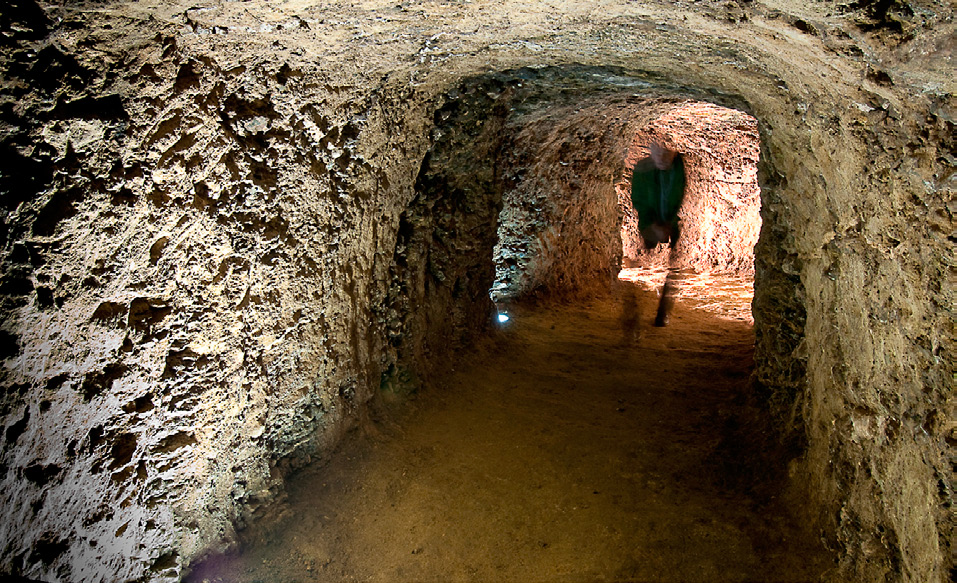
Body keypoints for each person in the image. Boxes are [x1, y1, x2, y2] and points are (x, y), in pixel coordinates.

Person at [630, 142, 686, 326]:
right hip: (651, 220)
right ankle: (633, 309)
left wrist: (670, 224)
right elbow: (639, 202)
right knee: (640, 261)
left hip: (673, 221)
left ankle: (663, 312)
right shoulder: (642, 170)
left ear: (675, 152)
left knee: (675, 265)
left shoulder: (680, 168)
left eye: (666, 153)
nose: (661, 158)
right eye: (657, 153)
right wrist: (652, 226)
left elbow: (681, 196)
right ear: (650, 152)